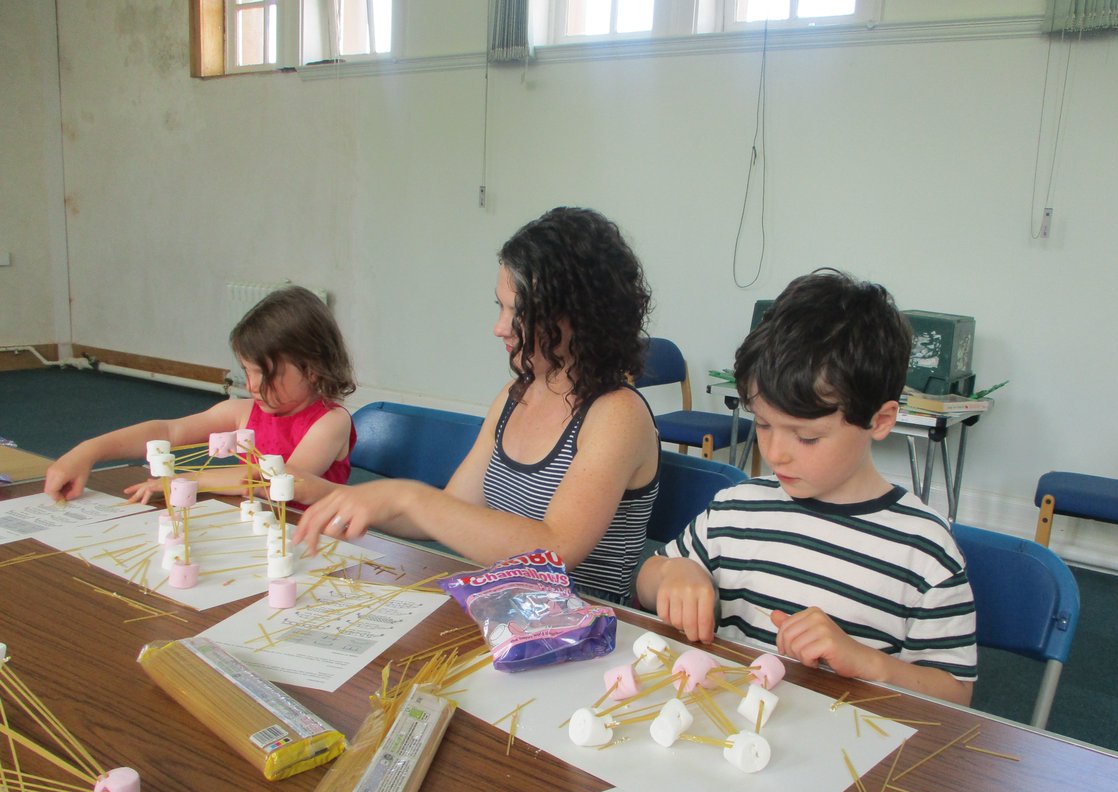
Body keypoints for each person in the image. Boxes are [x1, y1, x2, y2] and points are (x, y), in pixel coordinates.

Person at [636, 269, 976, 705]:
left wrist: (868, 663)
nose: (776, 453)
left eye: (807, 437)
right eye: (763, 424)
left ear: (881, 420)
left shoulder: (923, 548)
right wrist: (673, 573)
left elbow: (955, 694)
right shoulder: (738, 509)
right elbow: (645, 580)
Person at [294, 206, 661, 605]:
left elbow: (554, 552)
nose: (499, 327)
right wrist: (327, 495)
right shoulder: (513, 397)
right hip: (504, 615)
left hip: (587, 633)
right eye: (499, 306)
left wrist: (407, 496)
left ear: (578, 318)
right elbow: (449, 513)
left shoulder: (617, 414)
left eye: (518, 312)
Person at [44, 286, 356, 506]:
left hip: (316, 543)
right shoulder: (242, 411)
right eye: (246, 371)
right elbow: (167, 431)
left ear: (312, 369)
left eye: (264, 374)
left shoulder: (330, 422)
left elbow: (281, 478)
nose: (250, 385)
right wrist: (87, 451)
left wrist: (192, 479)